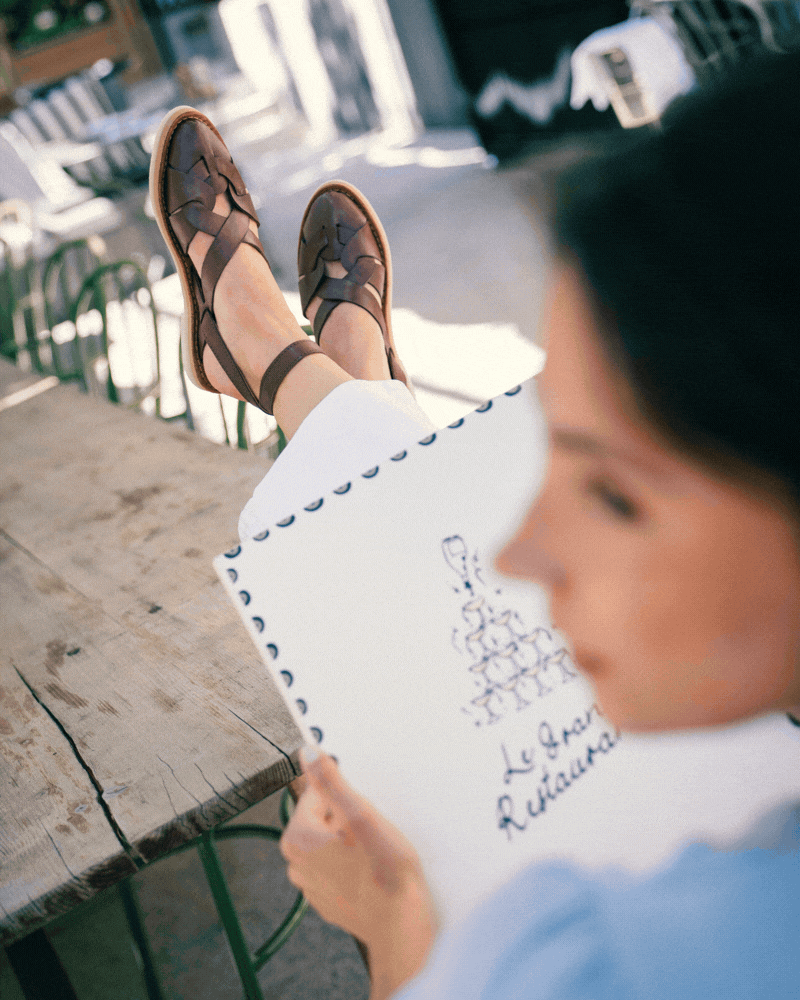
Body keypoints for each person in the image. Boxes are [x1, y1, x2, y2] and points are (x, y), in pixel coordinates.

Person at [149, 48, 800, 1000]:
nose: (517, 551)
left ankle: (292, 361)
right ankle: (322, 374)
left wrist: (394, 932)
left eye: (615, 494)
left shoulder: (591, 961)